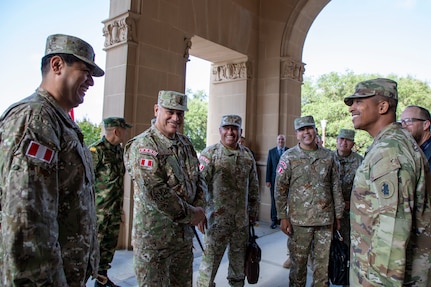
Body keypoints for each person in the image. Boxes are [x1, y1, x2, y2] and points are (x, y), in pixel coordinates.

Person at [0, 34, 103, 286]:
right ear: (56, 65)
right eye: (85, 70)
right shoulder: (36, 118)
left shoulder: (58, 120)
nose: (90, 81)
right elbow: (26, 218)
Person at [344, 78, 431, 286]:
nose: (351, 109)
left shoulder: (391, 151)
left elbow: (392, 236)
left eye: (359, 102)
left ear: (382, 107)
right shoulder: (388, 144)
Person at [124, 90, 207, 286]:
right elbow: (156, 191)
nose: (175, 118)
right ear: (156, 110)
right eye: (170, 111)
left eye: (180, 113)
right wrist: (192, 214)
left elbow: (199, 179)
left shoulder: (185, 143)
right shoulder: (143, 145)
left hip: (183, 240)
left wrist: (200, 208)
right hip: (154, 244)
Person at [275, 115, 344, 287]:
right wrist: (283, 217)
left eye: (309, 128)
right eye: (302, 129)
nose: (306, 132)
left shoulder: (329, 156)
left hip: (325, 221)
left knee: (322, 268)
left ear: (315, 130)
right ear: (297, 134)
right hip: (299, 222)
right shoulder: (288, 157)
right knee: (298, 268)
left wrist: (338, 215)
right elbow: (280, 189)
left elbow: (336, 186)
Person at [197, 115, 260, 287]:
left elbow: (253, 186)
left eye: (234, 128)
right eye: (226, 128)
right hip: (216, 223)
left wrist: (253, 212)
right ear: (220, 131)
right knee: (208, 269)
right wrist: (199, 212)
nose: (230, 132)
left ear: (241, 132)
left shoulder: (247, 155)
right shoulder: (210, 154)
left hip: (241, 223)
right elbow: (199, 185)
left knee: (238, 270)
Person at [90, 117, 132, 287]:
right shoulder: (96, 151)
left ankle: (102, 280)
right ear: (116, 131)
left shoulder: (118, 151)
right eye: (124, 129)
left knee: (108, 247)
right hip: (99, 211)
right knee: (94, 248)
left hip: (114, 209)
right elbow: (85, 180)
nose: (126, 133)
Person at [333, 129, 363, 248]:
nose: (344, 143)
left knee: (348, 242)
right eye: (341, 139)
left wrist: (354, 202)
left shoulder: (360, 162)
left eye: (348, 140)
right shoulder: (328, 158)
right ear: (337, 140)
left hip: (351, 210)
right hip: (331, 209)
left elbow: (365, 188)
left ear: (353, 144)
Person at [266, 134, 288, 229]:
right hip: (274, 180)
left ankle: (284, 220)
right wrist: (267, 180)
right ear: (276, 141)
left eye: (282, 139)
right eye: (279, 139)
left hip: (287, 181)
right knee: (274, 200)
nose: (280, 141)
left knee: (286, 200)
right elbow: (268, 166)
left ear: (284, 141)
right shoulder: (271, 152)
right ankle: (274, 220)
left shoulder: (289, 151)